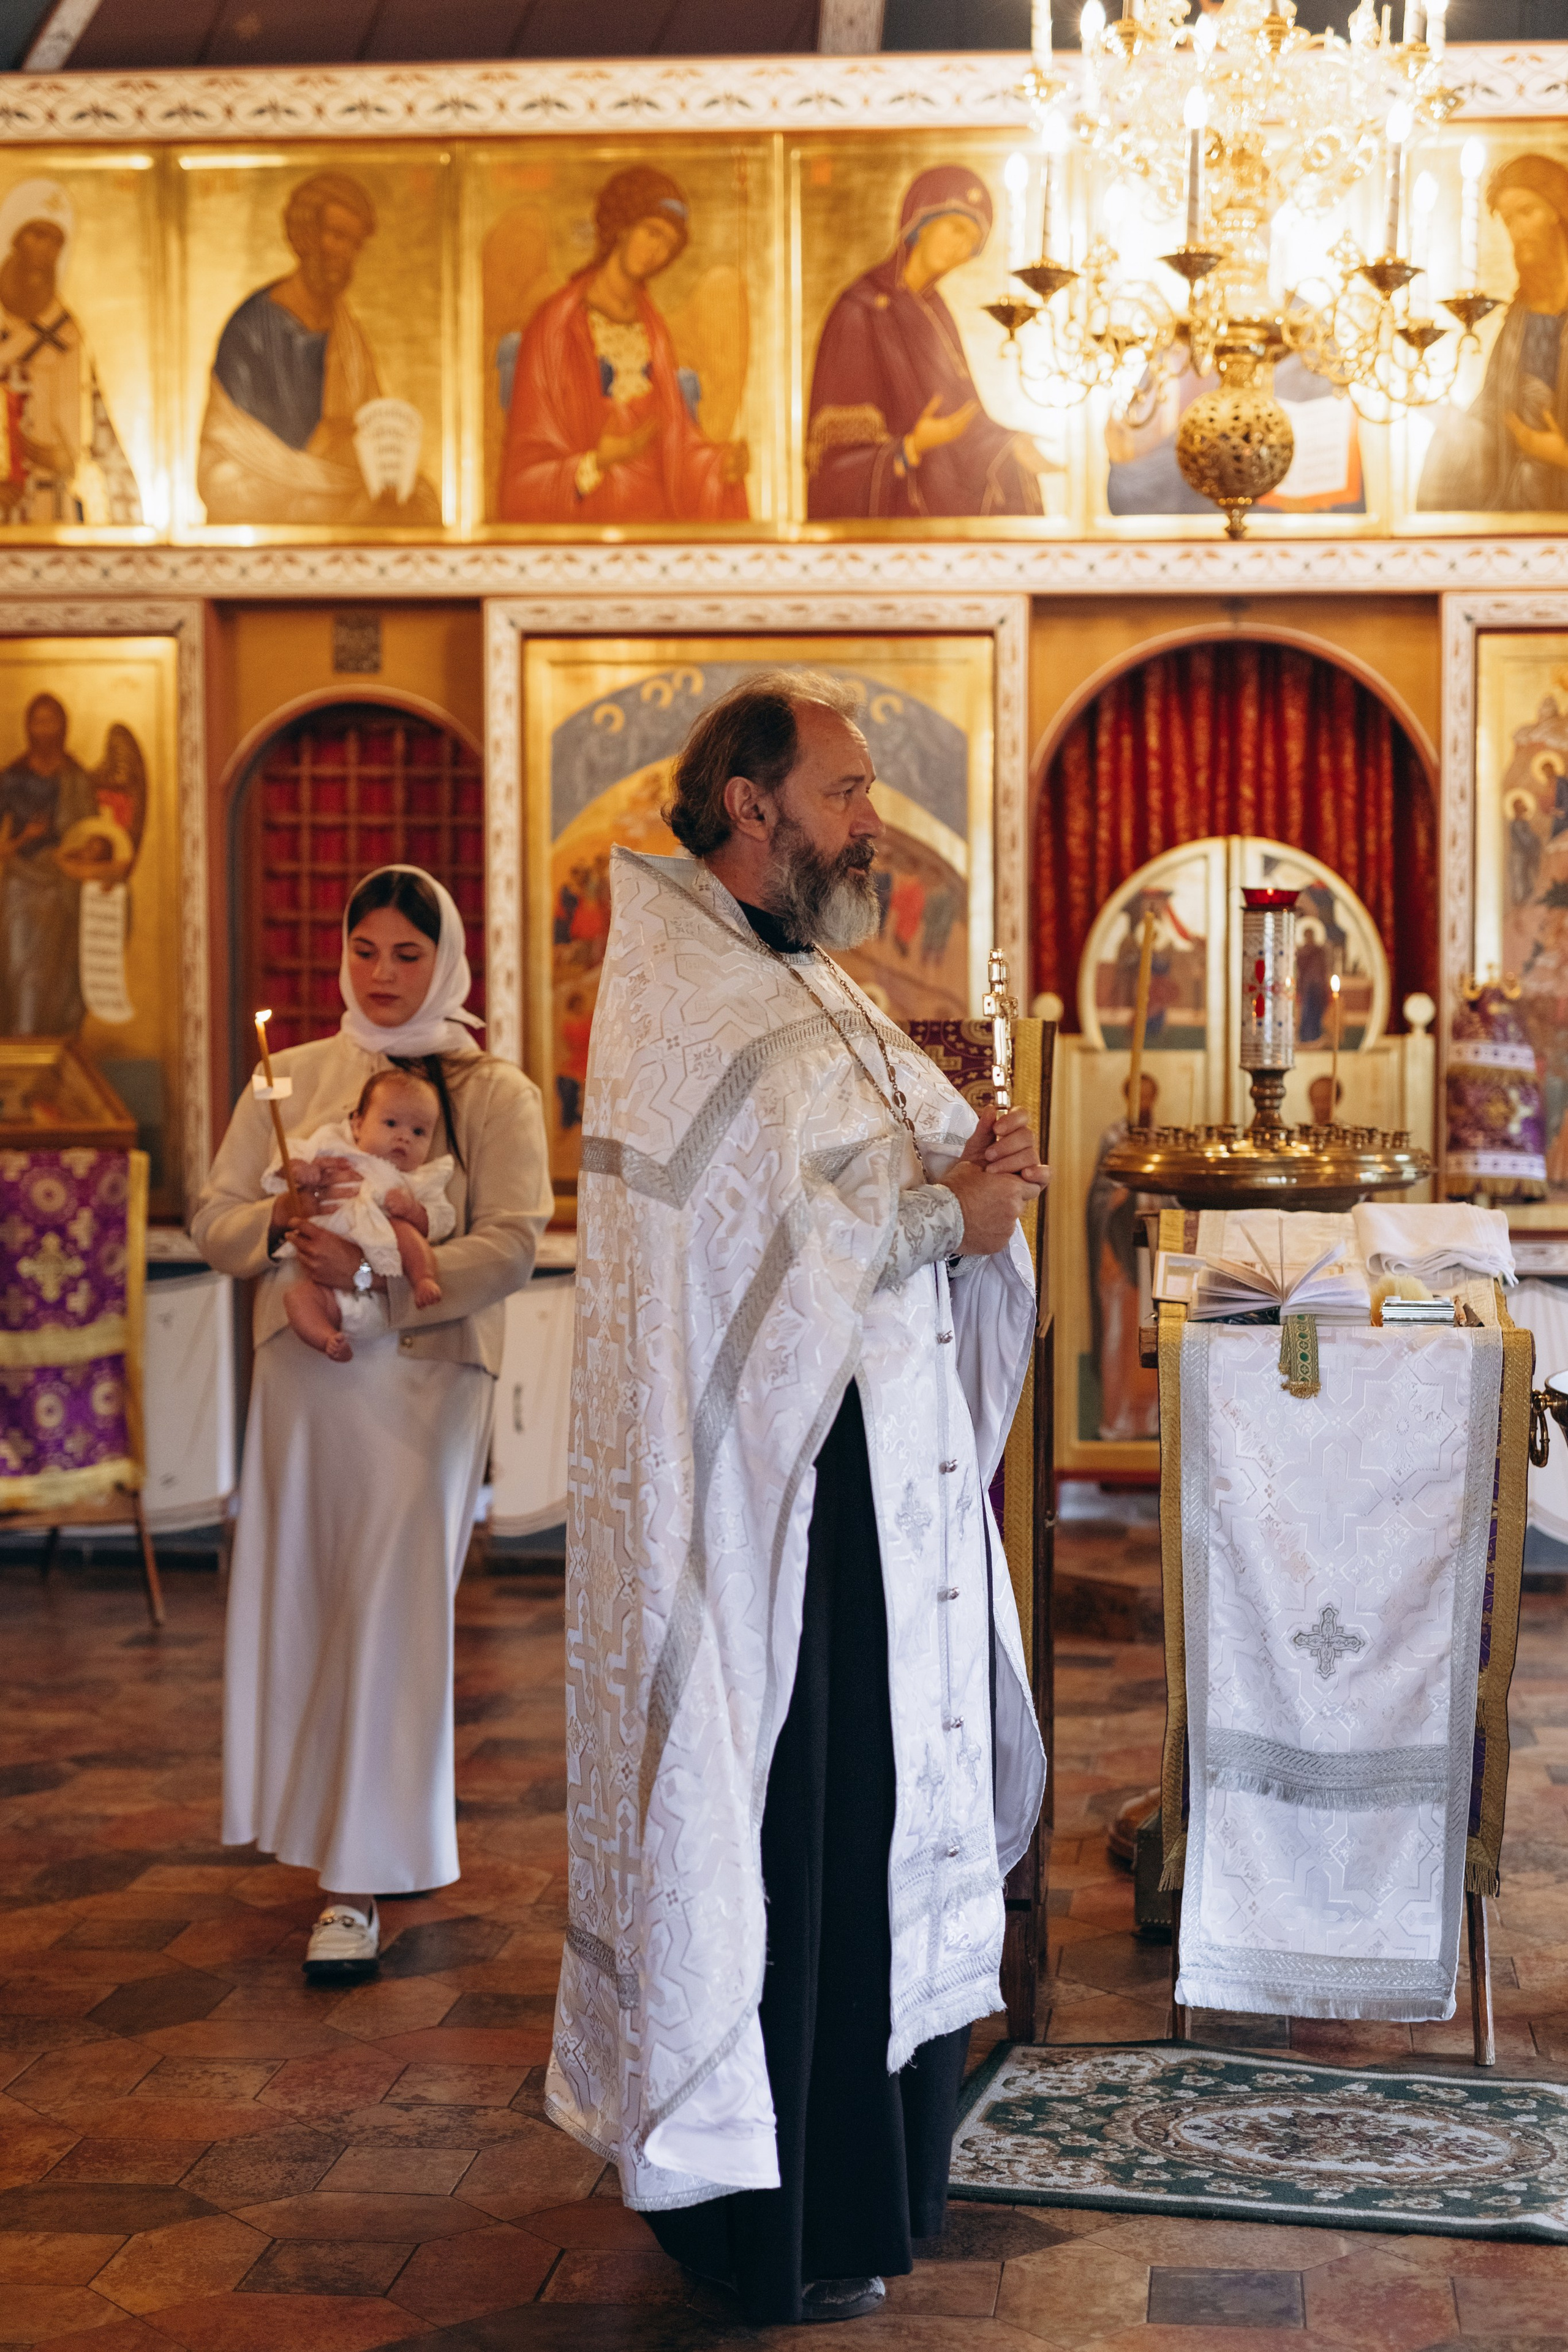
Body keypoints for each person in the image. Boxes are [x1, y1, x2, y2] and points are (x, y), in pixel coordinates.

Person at [547, 673, 1047, 2324]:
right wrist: (945, 1218)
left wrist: (969, 1163)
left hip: (871, 1481)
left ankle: (872, 2190)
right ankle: (770, 2209)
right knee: (800, 1810)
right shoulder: (689, 986)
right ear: (749, 806)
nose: (867, 822)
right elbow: (787, 1234)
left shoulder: (805, 972)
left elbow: (863, 1171)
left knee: (875, 1807)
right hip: (772, 1508)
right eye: (841, 792)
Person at [192, 865, 551, 1977]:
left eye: (407, 953)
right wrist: (280, 1221)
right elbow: (215, 1218)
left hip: (425, 1374)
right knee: (304, 1603)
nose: (383, 974)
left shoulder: (494, 1091)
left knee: (396, 1612)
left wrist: (390, 1272)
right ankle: (326, 1831)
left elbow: (515, 1238)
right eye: (365, 950)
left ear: (444, 957)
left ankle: (356, 1883)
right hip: (307, 1376)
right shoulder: (290, 1079)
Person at [497, 165, 748, 524]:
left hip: (655, 521)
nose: (657, 251)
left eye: (669, 245)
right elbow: (527, 468)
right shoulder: (556, 325)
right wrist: (597, 461)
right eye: (652, 232)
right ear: (624, 225)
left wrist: (717, 465)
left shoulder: (653, 331)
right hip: (588, 520)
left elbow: (676, 439)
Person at [805, 165, 1052, 519]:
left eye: (972, 242)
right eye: (956, 229)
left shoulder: (934, 312)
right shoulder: (860, 311)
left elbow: (962, 416)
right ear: (920, 221)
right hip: (895, 514)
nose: (962, 248)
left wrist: (1010, 446)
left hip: (941, 498)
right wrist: (911, 447)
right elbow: (837, 463)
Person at [197, 171, 438, 527]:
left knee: (419, 499)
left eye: (354, 244)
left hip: (327, 482)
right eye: (337, 236)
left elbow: (372, 423)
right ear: (306, 235)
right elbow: (262, 444)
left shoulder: (346, 330)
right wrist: (334, 443)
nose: (344, 254)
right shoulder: (252, 326)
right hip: (259, 479)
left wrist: (375, 455)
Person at [265, 1066, 456, 1363]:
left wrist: (415, 1211)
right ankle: (328, 1339)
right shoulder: (332, 1145)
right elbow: (288, 1154)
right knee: (297, 1299)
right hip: (323, 1266)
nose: (404, 1137)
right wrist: (302, 1169)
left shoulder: (421, 1179)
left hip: (381, 1276)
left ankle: (423, 1279)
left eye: (419, 1132)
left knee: (405, 1231)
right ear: (357, 1124)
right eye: (391, 1123)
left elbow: (443, 1219)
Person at [1419, 154, 1568, 513]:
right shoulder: (1520, 315)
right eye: (1507, 219)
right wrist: (1455, 424)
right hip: (1519, 497)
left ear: (1559, 210)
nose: (1517, 231)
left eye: (1527, 212)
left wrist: (1561, 454)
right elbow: (1494, 412)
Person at [0, 176, 141, 526]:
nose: (45, 251)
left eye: (56, 241)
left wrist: (67, 461)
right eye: (36, 234)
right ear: (13, 239)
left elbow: (97, 433)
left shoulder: (68, 336)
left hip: (53, 512)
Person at [0, 692, 98, 1035]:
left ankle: (57, 1040)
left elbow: (92, 834)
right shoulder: (12, 778)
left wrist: (85, 851)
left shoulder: (76, 778)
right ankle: (22, 1042)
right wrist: (25, 838)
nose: (44, 729)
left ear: (63, 727)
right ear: (28, 727)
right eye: (38, 721)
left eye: (51, 721)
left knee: (59, 968)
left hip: (63, 885)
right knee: (20, 966)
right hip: (20, 887)